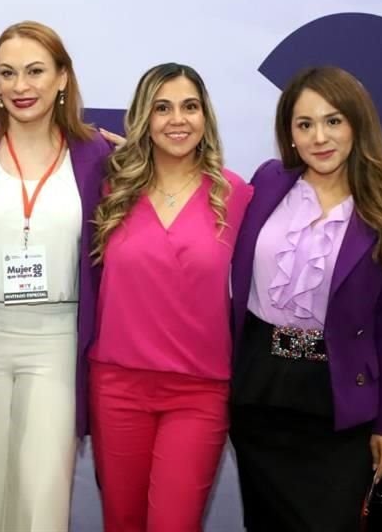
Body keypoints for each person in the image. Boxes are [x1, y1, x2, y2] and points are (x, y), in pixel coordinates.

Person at [228, 66, 382, 531]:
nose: (320, 137)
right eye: (305, 124)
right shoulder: (269, 183)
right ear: (289, 134)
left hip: (338, 404)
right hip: (260, 393)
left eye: (333, 121)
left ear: (357, 123)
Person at [0, 21, 112, 532]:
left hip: (56, 343)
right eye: (6, 73)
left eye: (35, 71)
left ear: (62, 78)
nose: (20, 86)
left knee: (42, 503)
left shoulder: (96, 154)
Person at [89, 63, 253, 532]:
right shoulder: (112, 190)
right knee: (122, 523)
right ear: (144, 117)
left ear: (206, 117)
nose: (177, 119)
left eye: (189, 107)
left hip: (198, 393)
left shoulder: (234, 194)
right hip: (117, 387)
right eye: (162, 108)